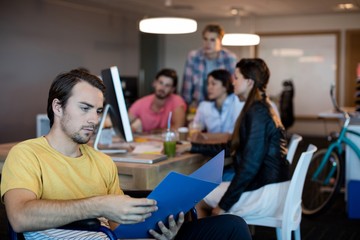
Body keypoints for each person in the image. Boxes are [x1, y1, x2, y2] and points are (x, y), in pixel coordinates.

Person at [1, 69, 252, 240]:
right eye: (85, 108)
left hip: (118, 236)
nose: (94, 120)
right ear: (58, 106)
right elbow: (20, 216)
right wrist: (98, 205)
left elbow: (118, 225)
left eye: (99, 111)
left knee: (232, 226)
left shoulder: (102, 162)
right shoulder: (26, 154)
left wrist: (160, 229)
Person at [180, 58, 290, 219]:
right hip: (268, 185)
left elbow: (250, 166)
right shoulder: (259, 107)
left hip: (264, 192)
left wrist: (224, 205)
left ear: (249, 82)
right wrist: (192, 146)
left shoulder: (257, 113)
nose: (233, 83)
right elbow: (232, 147)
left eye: (236, 78)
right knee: (201, 191)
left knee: (197, 198)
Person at [181, 23, 237, 107]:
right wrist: (186, 107)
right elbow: (187, 87)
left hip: (223, 106)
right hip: (198, 106)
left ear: (220, 41)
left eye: (212, 40)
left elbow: (234, 86)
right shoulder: (193, 57)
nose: (208, 43)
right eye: (205, 39)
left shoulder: (229, 58)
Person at [128, 68, 186, 133]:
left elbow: (178, 128)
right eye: (161, 83)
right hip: (145, 142)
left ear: (172, 89)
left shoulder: (177, 101)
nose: (162, 88)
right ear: (154, 83)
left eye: (167, 85)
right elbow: (125, 121)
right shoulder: (141, 102)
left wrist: (155, 132)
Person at [193, 69, 244, 134]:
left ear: (225, 86)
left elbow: (234, 134)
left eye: (213, 84)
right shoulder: (204, 106)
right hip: (210, 143)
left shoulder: (236, 101)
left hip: (232, 144)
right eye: (208, 84)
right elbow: (195, 128)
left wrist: (208, 137)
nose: (209, 87)